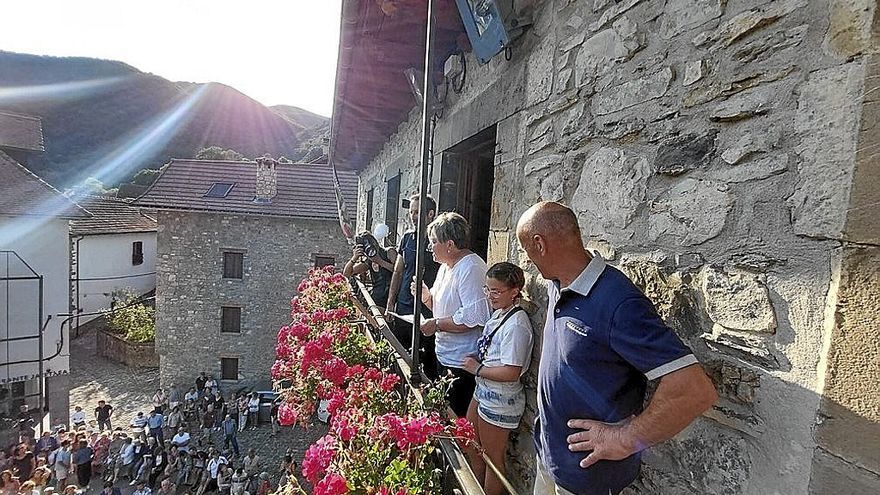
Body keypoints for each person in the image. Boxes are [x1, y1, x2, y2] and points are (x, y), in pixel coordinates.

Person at [516, 202, 718, 495]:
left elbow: (694, 390)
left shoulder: (618, 302)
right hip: (550, 458)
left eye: (526, 250)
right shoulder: (558, 283)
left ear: (540, 244)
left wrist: (624, 439)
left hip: (587, 479)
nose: (526, 259)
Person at [461, 262, 534, 495]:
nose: (490, 296)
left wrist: (477, 368)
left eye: (496, 291)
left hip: (500, 398)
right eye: (487, 289)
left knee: (493, 459)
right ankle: (475, 488)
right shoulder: (502, 313)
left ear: (514, 292)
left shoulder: (517, 325)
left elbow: (511, 371)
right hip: (485, 389)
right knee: (470, 441)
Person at [416, 212, 491, 417]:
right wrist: (426, 297)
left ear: (449, 244)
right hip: (444, 355)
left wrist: (436, 325)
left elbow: (473, 318)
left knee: (456, 417)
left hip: (462, 362)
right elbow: (442, 308)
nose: (430, 246)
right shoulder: (445, 267)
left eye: (434, 241)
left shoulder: (471, 267)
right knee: (442, 413)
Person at [385, 194, 440, 376]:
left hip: (427, 309)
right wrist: (390, 303)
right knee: (401, 353)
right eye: (411, 212)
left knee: (427, 359)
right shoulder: (407, 238)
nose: (413, 216)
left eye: (417, 212)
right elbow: (398, 271)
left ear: (430, 214)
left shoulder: (437, 242)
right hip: (404, 306)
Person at [343, 231, 397, 308]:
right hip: (377, 299)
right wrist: (354, 258)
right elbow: (347, 273)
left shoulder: (389, 252)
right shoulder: (369, 261)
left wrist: (380, 261)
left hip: (391, 298)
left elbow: (398, 271)